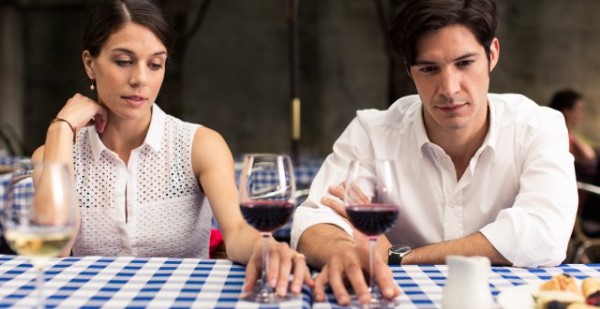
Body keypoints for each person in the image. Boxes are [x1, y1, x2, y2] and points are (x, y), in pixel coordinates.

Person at [290, 0, 577, 305]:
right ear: (409, 70)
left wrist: (399, 257)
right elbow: (314, 219)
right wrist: (344, 251)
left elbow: (544, 235)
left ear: (492, 54)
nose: (449, 88)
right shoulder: (372, 132)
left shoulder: (538, 126)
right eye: (429, 68)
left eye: (465, 63)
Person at [32, 0, 312, 297]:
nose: (140, 78)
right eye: (124, 61)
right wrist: (60, 128)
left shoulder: (200, 145)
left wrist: (264, 247)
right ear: (90, 63)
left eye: (155, 64)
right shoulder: (53, 153)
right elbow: (54, 251)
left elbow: (237, 231)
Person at [548, 89, 597, 180]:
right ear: (567, 113)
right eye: (580, 110)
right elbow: (589, 157)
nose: (582, 115)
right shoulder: (559, 137)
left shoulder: (573, 135)